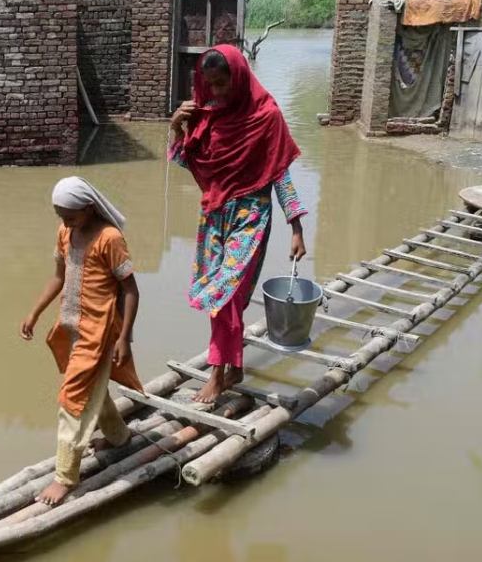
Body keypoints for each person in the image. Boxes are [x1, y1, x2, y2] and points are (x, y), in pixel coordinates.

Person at [169, 44, 308, 408]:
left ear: (239, 76)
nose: (216, 92)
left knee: (226, 295)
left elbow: (280, 175)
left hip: (250, 217)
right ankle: (235, 368)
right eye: (210, 84)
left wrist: (296, 227)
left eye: (222, 83)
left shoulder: (267, 116)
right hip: (214, 216)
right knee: (220, 296)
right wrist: (176, 126)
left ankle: (217, 375)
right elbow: (189, 161)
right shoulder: (209, 114)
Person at [21, 177, 144, 506]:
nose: (65, 223)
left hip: (99, 333)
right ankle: (119, 438)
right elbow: (59, 277)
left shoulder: (110, 238)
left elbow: (130, 290)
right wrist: (34, 313)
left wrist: (125, 338)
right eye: (60, 216)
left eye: (71, 216)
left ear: (89, 209)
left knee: (72, 401)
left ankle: (65, 476)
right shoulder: (65, 233)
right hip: (73, 328)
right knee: (94, 390)